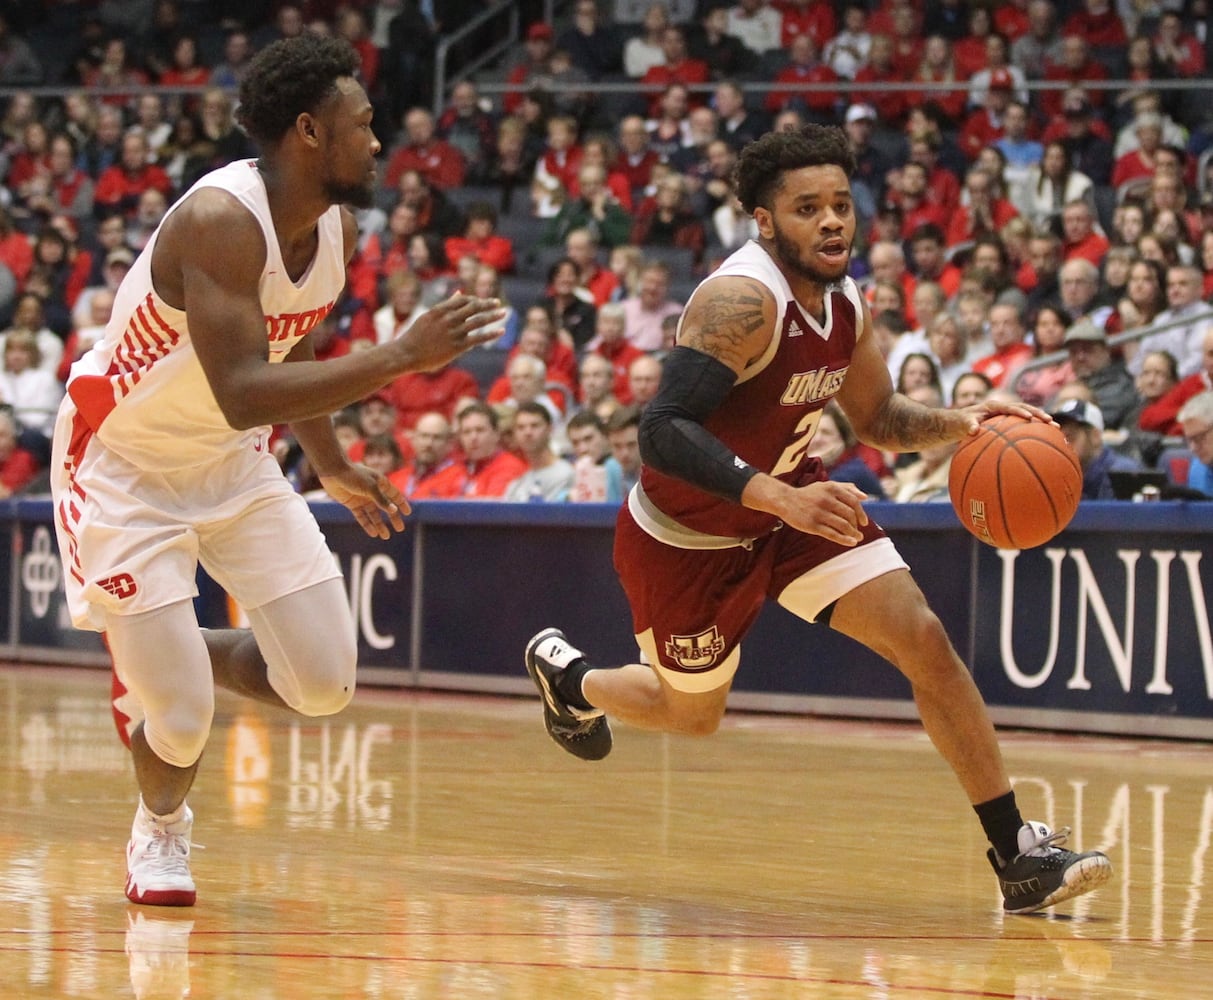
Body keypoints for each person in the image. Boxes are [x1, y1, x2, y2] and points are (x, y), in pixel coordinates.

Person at [521, 124, 1111, 915]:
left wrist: (962, 422)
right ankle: (571, 679)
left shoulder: (843, 299)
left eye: (839, 204)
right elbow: (661, 430)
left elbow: (875, 417)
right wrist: (774, 494)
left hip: (796, 507)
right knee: (690, 716)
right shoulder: (740, 301)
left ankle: (1015, 856)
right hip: (687, 538)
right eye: (807, 209)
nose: (832, 221)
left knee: (924, 640)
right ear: (764, 221)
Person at [48, 35, 504, 909]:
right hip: (125, 467)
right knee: (181, 716)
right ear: (307, 132)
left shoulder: (335, 224)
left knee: (324, 683)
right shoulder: (219, 222)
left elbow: (296, 350)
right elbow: (244, 389)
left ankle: (162, 655)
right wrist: (403, 355)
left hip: (235, 466)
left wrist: (329, 463)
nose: (380, 141)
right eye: (364, 125)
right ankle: (159, 836)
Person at [1051, 398, 1142, 499]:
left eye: (1069, 437)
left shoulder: (1123, 474)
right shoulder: (1057, 476)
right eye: (1059, 438)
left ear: (1095, 436)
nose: (1063, 445)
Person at [503, 401, 574, 502]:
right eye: (521, 427)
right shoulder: (516, 483)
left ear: (550, 429)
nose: (527, 432)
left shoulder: (566, 474)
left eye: (535, 426)